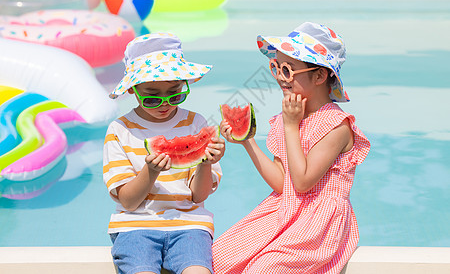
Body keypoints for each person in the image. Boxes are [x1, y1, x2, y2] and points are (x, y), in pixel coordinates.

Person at [212, 22, 371, 274]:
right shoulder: (288, 118)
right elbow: (281, 183)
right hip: (283, 209)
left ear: (319, 76)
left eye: (287, 70)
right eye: (275, 67)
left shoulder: (336, 126)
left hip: (318, 222)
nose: (278, 77)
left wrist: (290, 127)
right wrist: (248, 142)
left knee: (263, 269)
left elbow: (303, 182)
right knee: (219, 258)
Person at [103, 33, 225, 274]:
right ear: (133, 90)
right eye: (152, 96)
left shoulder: (195, 122)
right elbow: (128, 201)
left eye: (175, 92)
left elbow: (198, 196)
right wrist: (150, 171)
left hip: (190, 226)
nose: (165, 103)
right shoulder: (120, 130)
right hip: (134, 227)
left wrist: (205, 163)